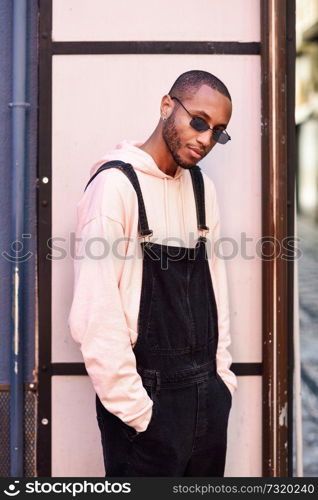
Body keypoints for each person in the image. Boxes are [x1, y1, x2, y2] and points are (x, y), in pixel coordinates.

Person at [68, 69, 237, 477]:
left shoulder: (201, 189)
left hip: (207, 402)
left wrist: (221, 383)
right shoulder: (115, 186)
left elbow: (217, 287)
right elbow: (95, 314)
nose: (205, 139)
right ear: (166, 106)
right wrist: (141, 414)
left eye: (218, 132)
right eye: (198, 121)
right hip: (146, 405)